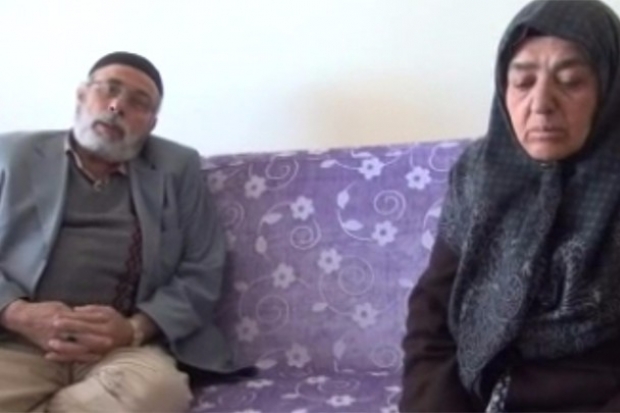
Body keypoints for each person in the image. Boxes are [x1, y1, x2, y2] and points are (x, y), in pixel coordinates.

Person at [400, 0, 620, 411]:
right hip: (480, 395)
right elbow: (432, 314)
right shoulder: (480, 175)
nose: (541, 103)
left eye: (570, 81)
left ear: (609, 90)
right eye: (522, 82)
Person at [0, 52, 241, 412]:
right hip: (17, 342)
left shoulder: (178, 168)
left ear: (151, 124)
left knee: (160, 392)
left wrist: (134, 329)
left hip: (121, 351)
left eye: (138, 103)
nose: (117, 107)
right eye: (108, 90)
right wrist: (18, 314)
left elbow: (203, 268)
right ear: (81, 95)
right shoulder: (11, 154)